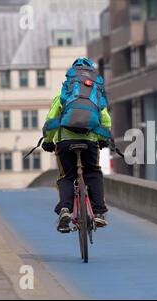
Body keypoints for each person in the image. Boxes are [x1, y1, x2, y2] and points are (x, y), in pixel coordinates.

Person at [41, 58, 112, 233]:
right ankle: (99, 213)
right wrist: (104, 139)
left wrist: (49, 141)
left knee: (67, 176)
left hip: (65, 141)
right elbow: (105, 119)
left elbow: (51, 119)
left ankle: (65, 209)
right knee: (93, 172)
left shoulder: (63, 93)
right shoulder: (95, 93)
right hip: (89, 140)